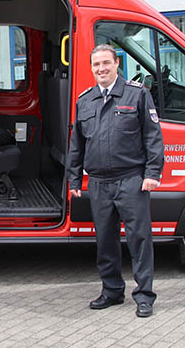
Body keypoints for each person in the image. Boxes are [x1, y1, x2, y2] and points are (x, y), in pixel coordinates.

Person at [67, 44, 164, 318]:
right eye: (96, 64)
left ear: (116, 63)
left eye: (106, 63)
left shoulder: (137, 95)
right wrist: (74, 179)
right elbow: (77, 145)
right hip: (98, 183)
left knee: (139, 240)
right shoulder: (84, 101)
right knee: (105, 241)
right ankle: (111, 291)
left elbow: (153, 137)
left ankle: (144, 296)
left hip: (130, 180)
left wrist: (152, 174)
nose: (101, 69)